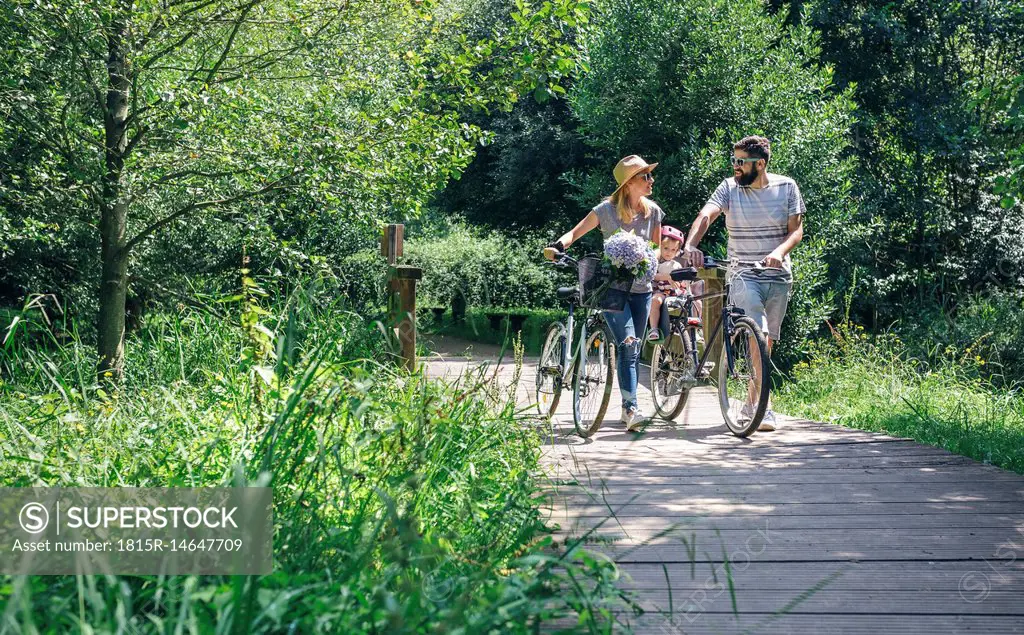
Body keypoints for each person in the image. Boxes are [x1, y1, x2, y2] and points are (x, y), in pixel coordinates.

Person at [682, 135, 805, 432]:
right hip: (741, 273)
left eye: (741, 162)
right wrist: (691, 244)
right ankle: (766, 408)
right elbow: (706, 215)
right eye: (733, 161)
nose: (735, 166)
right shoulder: (728, 188)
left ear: (759, 164)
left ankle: (754, 404)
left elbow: (796, 231)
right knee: (757, 333)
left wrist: (778, 252)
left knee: (766, 342)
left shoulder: (787, 187)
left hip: (777, 275)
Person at [544, 155, 663, 432]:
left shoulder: (653, 212)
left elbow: (656, 248)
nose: (651, 180)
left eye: (649, 175)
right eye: (645, 176)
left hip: (642, 289)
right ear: (629, 183)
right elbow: (575, 232)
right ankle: (632, 408)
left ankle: (626, 406)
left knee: (631, 351)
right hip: (612, 289)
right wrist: (558, 246)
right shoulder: (606, 210)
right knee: (629, 343)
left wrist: (644, 257)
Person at [648, 226, 686, 343]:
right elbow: (652, 275)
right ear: (660, 246)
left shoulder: (676, 264)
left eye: (673, 250)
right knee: (655, 300)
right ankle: (653, 329)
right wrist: (667, 277)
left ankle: (693, 329)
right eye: (666, 248)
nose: (669, 253)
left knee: (695, 301)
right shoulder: (656, 260)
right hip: (660, 290)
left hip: (674, 292)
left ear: (677, 251)